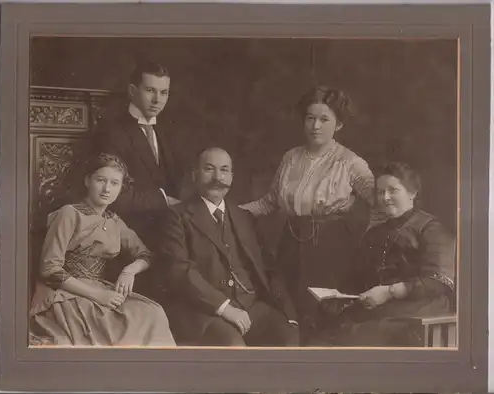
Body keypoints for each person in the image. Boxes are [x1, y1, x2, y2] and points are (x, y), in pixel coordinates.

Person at [240, 85, 378, 341]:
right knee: (289, 313)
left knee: (323, 320)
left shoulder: (350, 162)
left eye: (324, 119)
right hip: (291, 245)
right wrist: (229, 212)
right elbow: (270, 201)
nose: (315, 126)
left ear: (339, 125)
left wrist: (372, 236)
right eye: (310, 118)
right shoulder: (291, 158)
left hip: (331, 249)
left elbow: (379, 201)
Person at [154, 147, 299, 346]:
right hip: (205, 310)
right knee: (232, 347)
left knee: (288, 339)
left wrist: (287, 313)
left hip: (251, 306)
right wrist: (224, 307)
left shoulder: (243, 216)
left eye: (224, 170)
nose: (217, 177)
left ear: (231, 176)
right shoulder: (175, 216)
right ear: (195, 175)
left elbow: (268, 267)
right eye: (209, 169)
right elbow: (179, 270)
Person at [29, 153, 176, 347]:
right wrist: (98, 296)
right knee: (116, 330)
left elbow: (146, 255)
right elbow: (50, 269)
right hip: (65, 293)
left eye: (115, 183)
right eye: (101, 180)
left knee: (152, 313)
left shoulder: (114, 221)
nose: (107, 189)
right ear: (88, 181)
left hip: (99, 289)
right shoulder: (69, 213)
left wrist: (129, 270)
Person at [330, 161, 456, 347]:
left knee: (353, 340)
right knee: (326, 334)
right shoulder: (373, 234)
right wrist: (340, 297)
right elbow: (356, 279)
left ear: (413, 193)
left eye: (392, 190)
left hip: (416, 314)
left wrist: (389, 292)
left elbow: (439, 282)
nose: (385, 197)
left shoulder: (432, 229)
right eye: (380, 192)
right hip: (376, 312)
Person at [90, 59, 180, 250]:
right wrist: (164, 200)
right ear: (132, 91)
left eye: (163, 92)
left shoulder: (167, 132)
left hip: (168, 229)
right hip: (130, 232)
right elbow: (114, 196)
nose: (157, 100)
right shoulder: (112, 133)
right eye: (150, 91)